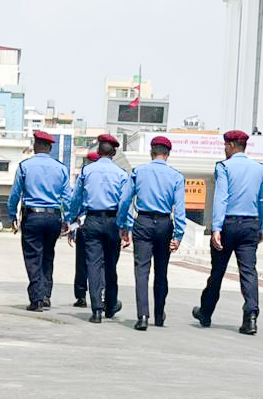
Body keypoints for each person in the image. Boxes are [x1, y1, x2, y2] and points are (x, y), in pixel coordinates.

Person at [193, 130, 263, 335]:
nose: (224, 149)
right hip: (250, 224)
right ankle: (250, 317)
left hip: (228, 224)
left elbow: (221, 197)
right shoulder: (260, 169)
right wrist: (261, 228)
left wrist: (216, 228)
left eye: (225, 145)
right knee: (249, 272)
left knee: (217, 271)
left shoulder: (224, 167)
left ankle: (206, 313)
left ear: (232, 146)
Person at [117, 136, 186, 331]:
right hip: (164, 223)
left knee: (141, 270)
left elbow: (125, 201)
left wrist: (123, 225)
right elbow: (180, 209)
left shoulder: (138, 172)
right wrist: (178, 235)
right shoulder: (176, 176)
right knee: (161, 271)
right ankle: (159, 314)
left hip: (143, 222)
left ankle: (142, 316)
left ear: (151, 152)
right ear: (168, 154)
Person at [8, 130, 73, 312]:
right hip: (53, 217)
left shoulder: (24, 166)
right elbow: (67, 198)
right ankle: (45, 296)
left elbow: (15, 194)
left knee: (33, 257)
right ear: (50, 148)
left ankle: (36, 298)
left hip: (32, 217)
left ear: (35, 146)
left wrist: (12, 214)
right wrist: (68, 219)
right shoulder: (61, 168)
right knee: (48, 256)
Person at [68, 135, 129, 323]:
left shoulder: (87, 171)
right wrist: (124, 225)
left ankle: (96, 310)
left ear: (98, 152)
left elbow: (76, 198)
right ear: (114, 152)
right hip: (112, 221)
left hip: (92, 220)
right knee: (110, 265)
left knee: (93, 265)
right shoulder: (121, 174)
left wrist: (71, 218)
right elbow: (125, 202)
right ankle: (110, 305)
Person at [72, 151, 101, 308]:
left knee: (82, 261)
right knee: (100, 262)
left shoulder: (84, 175)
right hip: (105, 222)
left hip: (85, 223)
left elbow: (75, 200)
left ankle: (81, 296)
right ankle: (99, 295)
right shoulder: (107, 176)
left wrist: (71, 223)